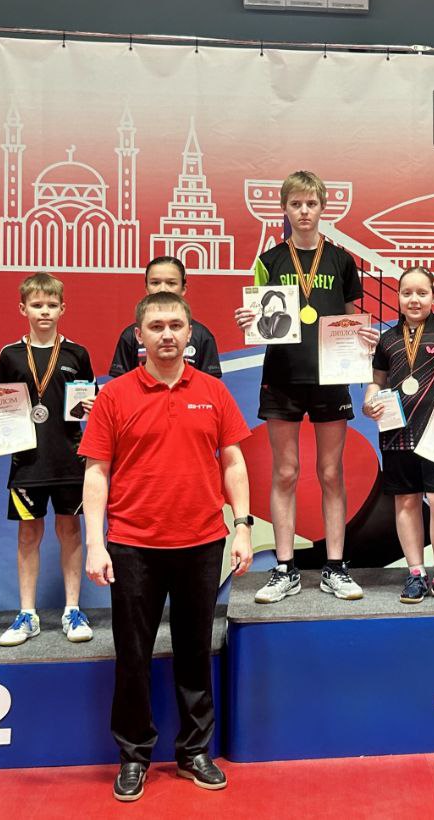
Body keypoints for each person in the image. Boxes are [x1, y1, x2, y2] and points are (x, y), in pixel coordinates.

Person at [82, 291, 253, 802]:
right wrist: (95, 544)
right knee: (133, 655)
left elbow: (233, 462)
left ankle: (194, 751)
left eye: (175, 325)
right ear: (139, 335)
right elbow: (96, 473)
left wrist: (243, 526)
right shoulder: (114, 395)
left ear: (189, 333)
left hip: (202, 542)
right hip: (133, 545)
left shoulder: (214, 391)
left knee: (195, 650)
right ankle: (134, 756)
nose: (167, 335)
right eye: (156, 326)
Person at [234, 170, 378, 603]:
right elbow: (259, 318)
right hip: (282, 377)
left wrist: (363, 336)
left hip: (330, 377)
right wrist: (248, 321)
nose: (303, 211)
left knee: (331, 472)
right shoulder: (270, 260)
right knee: (286, 471)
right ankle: (285, 569)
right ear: (284, 209)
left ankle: (335, 566)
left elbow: (351, 316)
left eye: (311, 204)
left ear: (322, 208)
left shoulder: (340, 261)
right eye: (295, 204)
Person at [0, 273, 96, 646]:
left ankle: (72, 609)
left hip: (69, 459)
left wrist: (95, 404)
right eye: (37, 305)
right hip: (27, 463)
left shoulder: (77, 354)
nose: (45, 311)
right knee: (28, 535)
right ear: (23, 309)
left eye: (52, 305)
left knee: (70, 531)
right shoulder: (10, 355)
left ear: (63, 308)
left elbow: (90, 400)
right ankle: (27, 613)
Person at [362, 267, 434, 604]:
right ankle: (415, 573)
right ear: (398, 297)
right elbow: (377, 383)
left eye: (422, 293)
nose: (414, 299)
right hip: (397, 434)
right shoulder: (387, 339)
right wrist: (369, 402)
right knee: (407, 501)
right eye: (407, 293)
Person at [108, 256, 223, 379]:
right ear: (146, 288)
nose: (162, 289)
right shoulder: (130, 335)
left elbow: (209, 384)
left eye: (171, 283)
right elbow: (121, 384)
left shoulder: (202, 335)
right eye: (155, 283)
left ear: (183, 289)